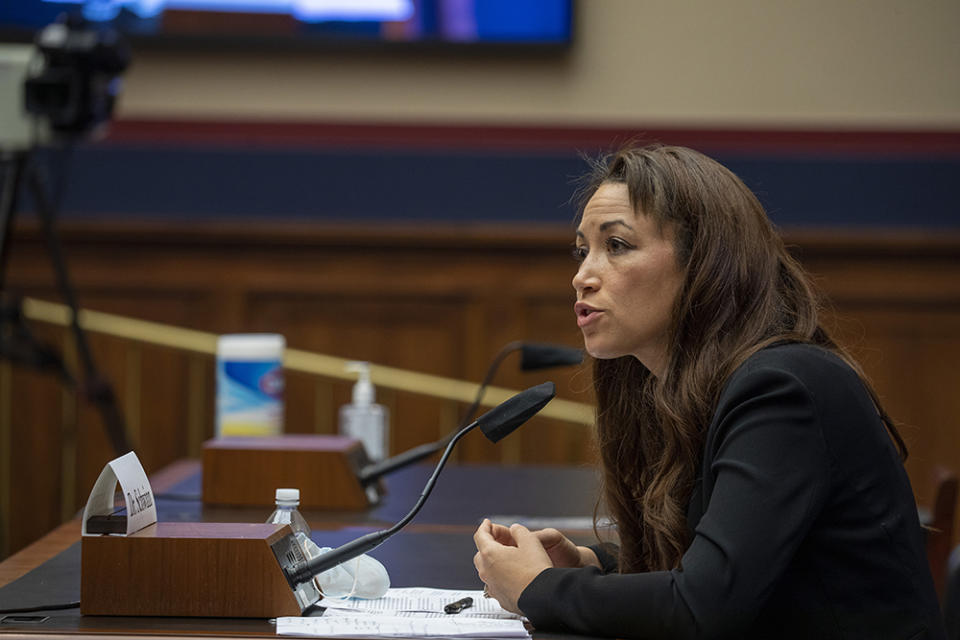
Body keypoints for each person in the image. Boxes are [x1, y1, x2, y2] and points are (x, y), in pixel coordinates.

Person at [472, 145, 946, 639]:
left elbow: (703, 609)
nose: (582, 275)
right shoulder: (668, 386)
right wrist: (596, 566)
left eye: (616, 245)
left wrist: (538, 588)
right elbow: (726, 570)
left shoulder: (782, 390)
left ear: (704, 263)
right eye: (582, 250)